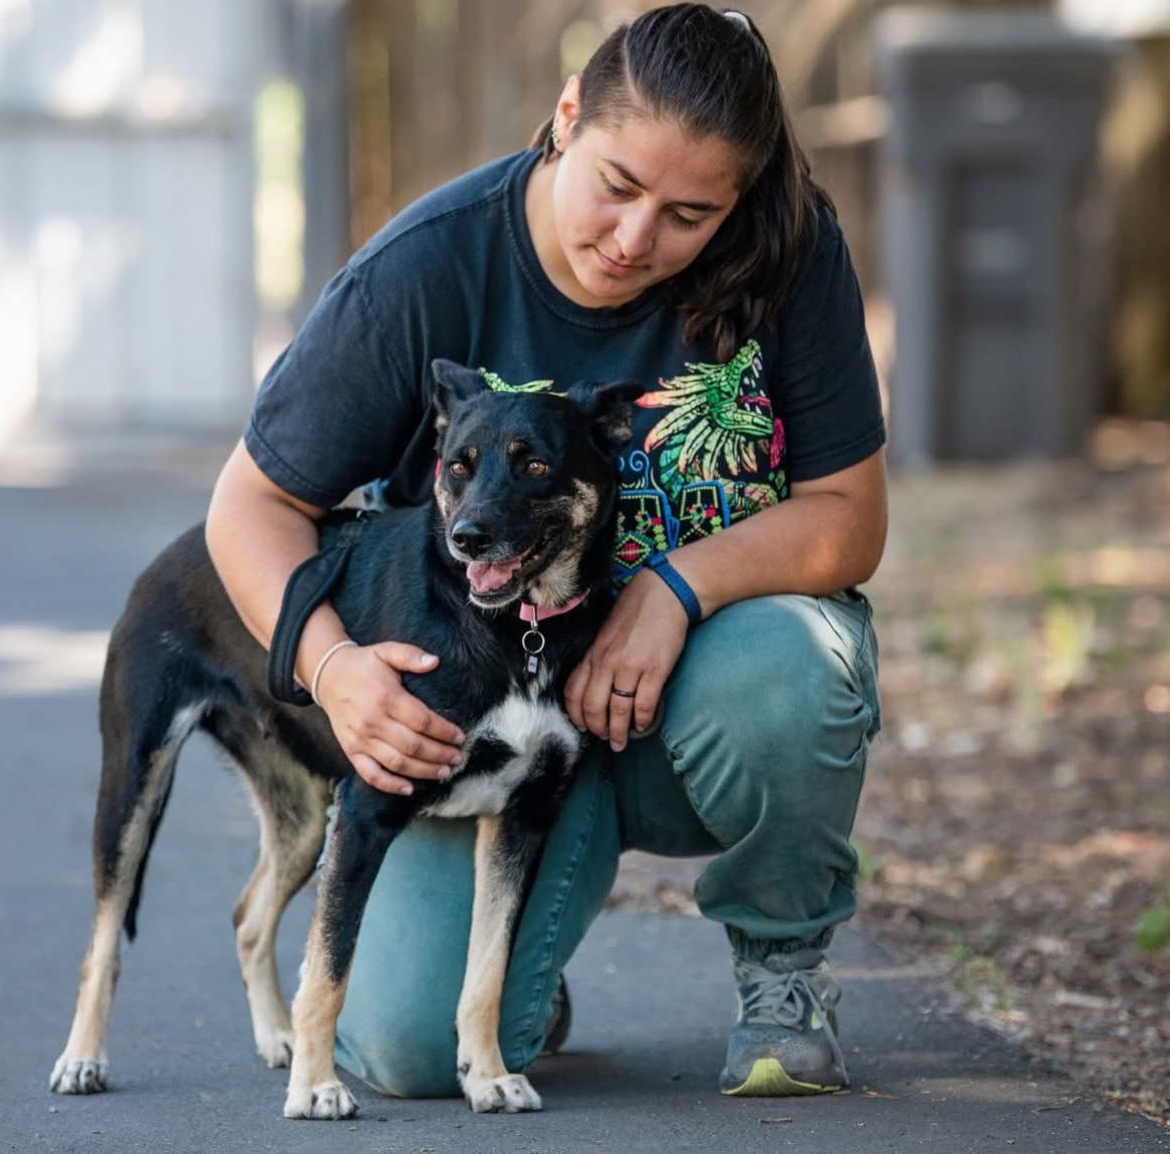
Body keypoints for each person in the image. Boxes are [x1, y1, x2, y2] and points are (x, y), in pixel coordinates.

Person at [206, 3, 886, 1100]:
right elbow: (249, 507)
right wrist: (334, 669)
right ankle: (525, 957)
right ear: (567, 117)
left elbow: (850, 515)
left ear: (739, 202)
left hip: (691, 703)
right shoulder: (425, 270)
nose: (635, 239)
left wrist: (672, 585)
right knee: (409, 1052)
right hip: (478, 719)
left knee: (784, 674)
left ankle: (782, 969)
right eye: (617, 186)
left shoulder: (789, 252)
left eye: (688, 213)